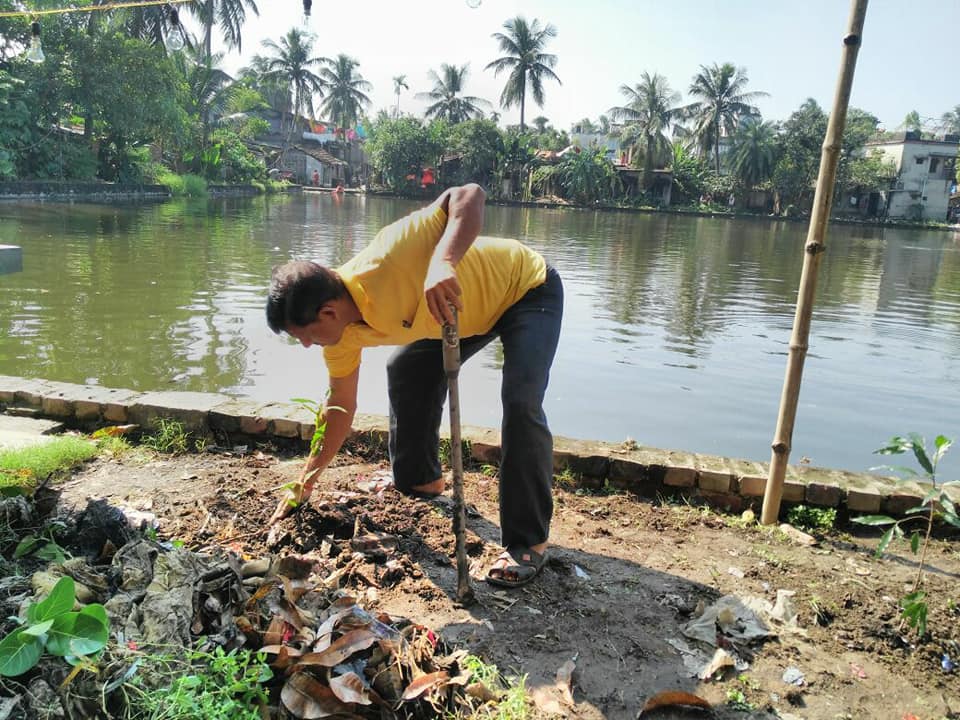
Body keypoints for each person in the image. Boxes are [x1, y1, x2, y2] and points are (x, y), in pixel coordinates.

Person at [265, 184, 563, 587]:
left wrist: (443, 262)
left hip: (525, 289)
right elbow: (340, 406)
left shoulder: (392, 253)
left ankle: (528, 541)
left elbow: (470, 195)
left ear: (329, 311)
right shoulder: (340, 337)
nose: (305, 345)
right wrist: (305, 483)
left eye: (304, 334)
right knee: (407, 367)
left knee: (521, 399)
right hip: (458, 314)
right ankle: (422, 480)